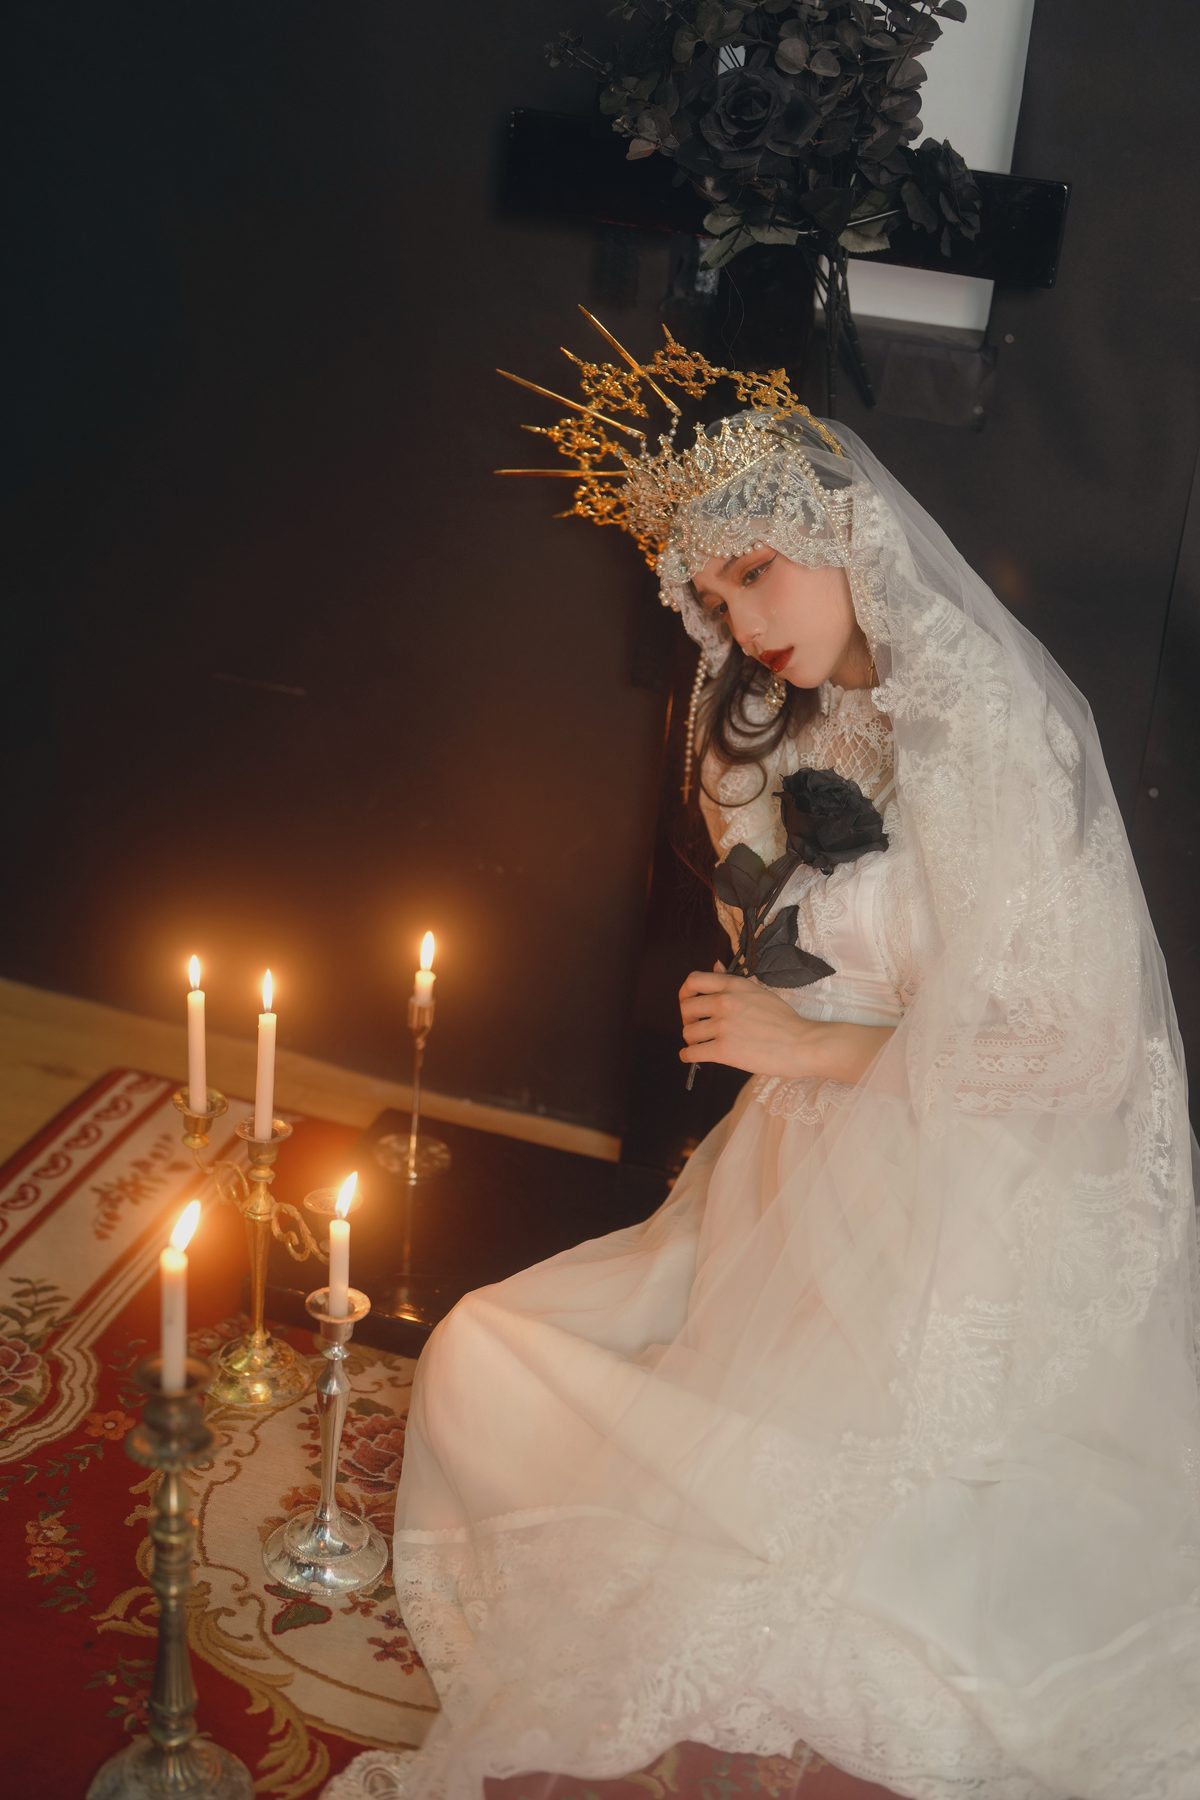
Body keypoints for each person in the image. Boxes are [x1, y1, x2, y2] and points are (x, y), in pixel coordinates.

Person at [327, 320, 1200, 1799]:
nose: (741, 622)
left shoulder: (986, 730)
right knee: (482, 1352)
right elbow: (802, 945)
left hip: (971, 1203)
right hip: (793, 1185)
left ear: (844, 532)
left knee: (814, 1575)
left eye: (757, 573)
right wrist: (764, 1008)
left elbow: (1078, 1052)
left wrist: (811, 1043)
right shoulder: (756, 728)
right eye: (712, 592)